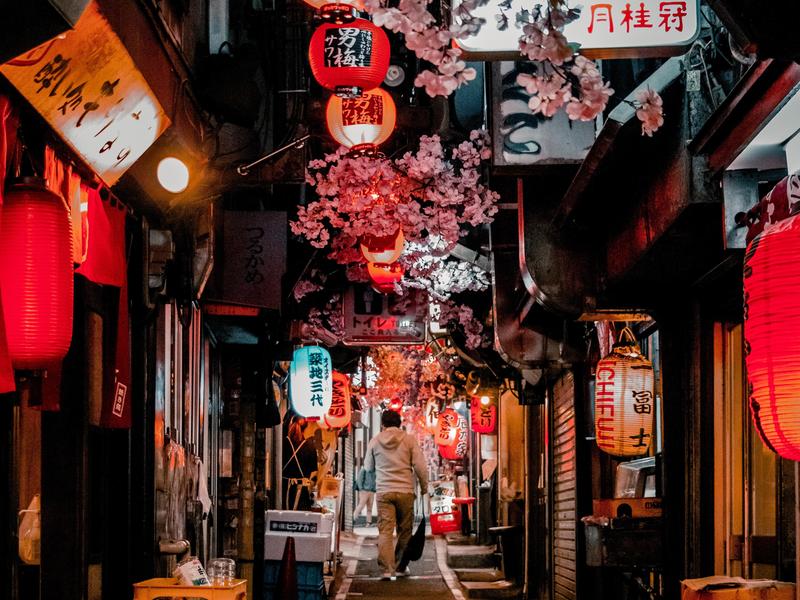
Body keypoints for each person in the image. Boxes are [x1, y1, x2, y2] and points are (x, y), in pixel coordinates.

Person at [364, 409, 429, 579]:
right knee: (404, 530)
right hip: (405, 491)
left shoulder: (375, 441)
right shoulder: (409, 440)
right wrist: (424, 487)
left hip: (384, 491)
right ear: (400, 423)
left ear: (382, 424)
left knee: (385, 531)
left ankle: (387, 570)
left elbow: (368, 467)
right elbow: (420, 466)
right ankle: (400, 566)